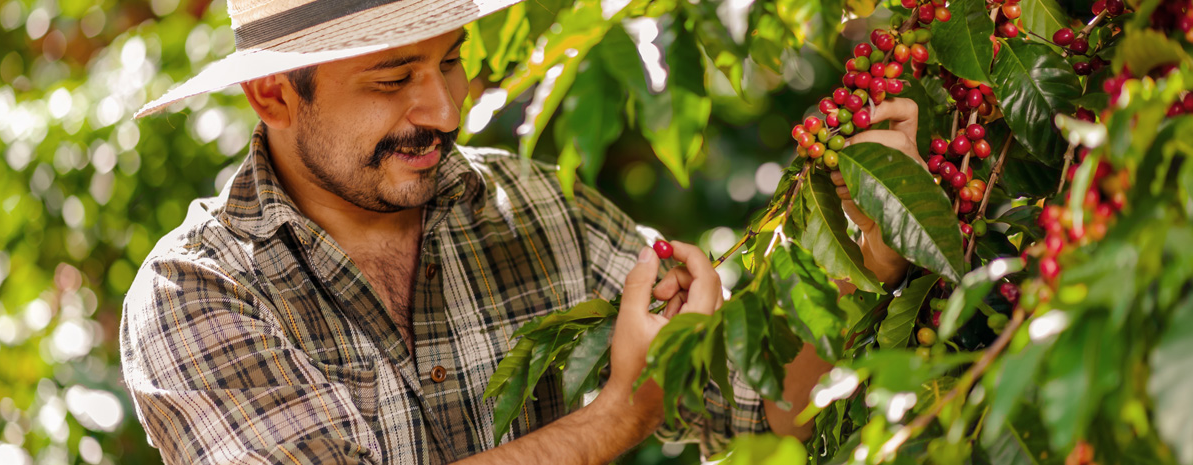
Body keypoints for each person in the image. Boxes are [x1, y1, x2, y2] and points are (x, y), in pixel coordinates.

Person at [121, 0, 916, 463]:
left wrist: (861, 249)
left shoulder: (537, 208)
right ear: (270, 94)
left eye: (451, 63)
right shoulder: (198, 290)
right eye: (394, 79)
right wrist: (619, 411)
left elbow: (773, 407)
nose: (442, 110)